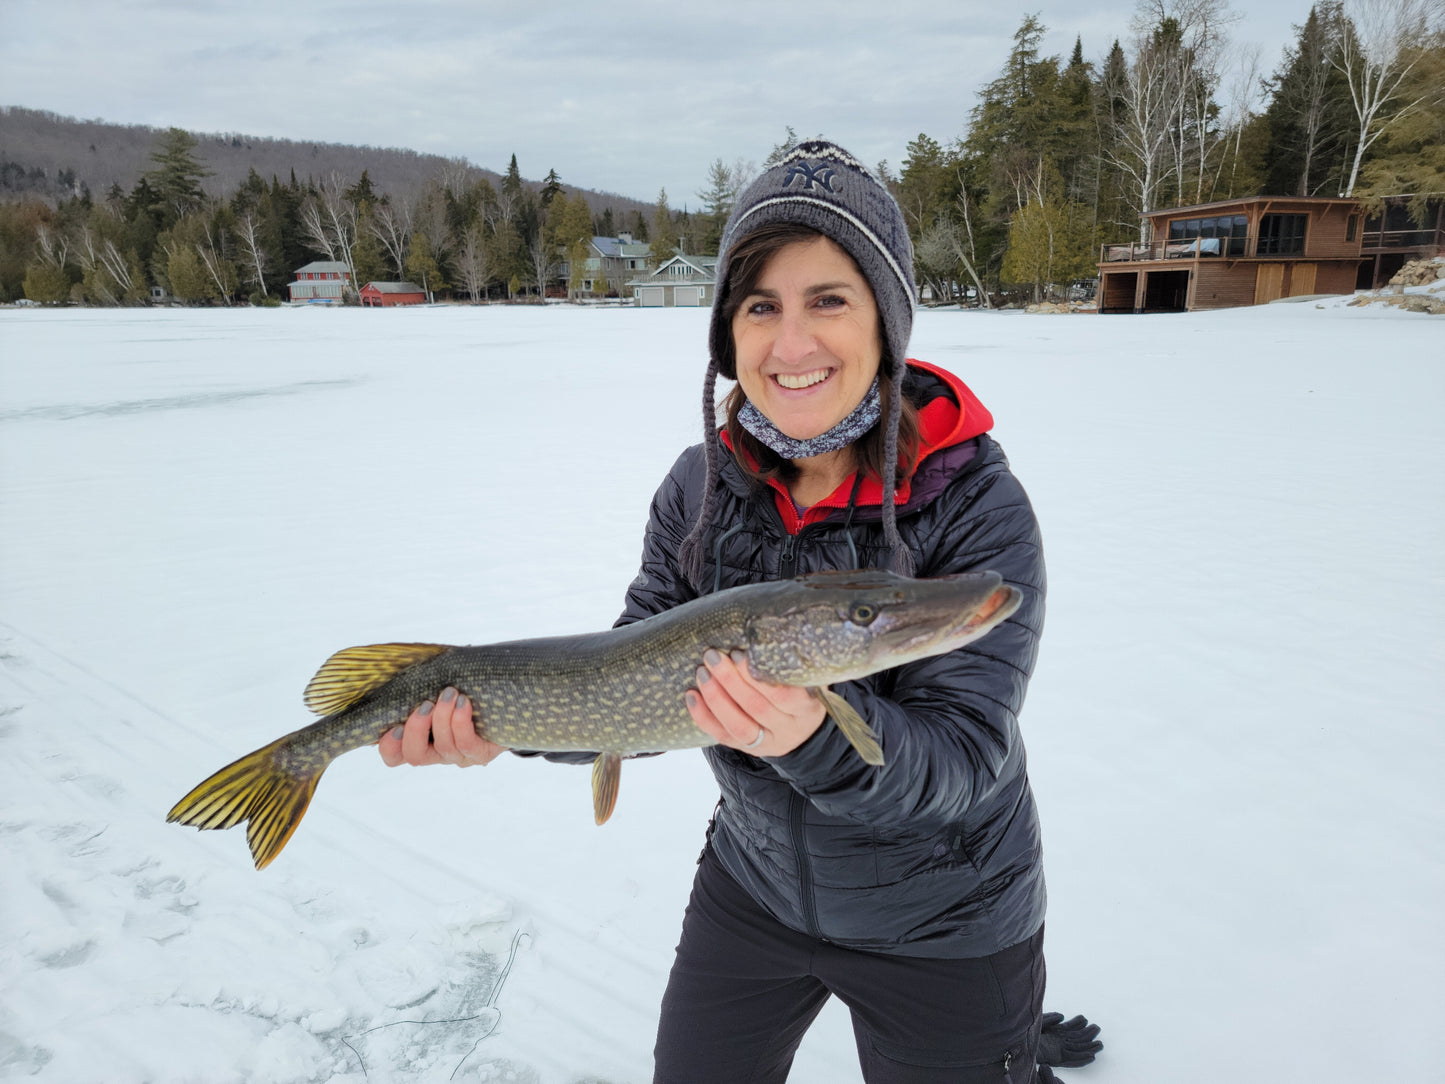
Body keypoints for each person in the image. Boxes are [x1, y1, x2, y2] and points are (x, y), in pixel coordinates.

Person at [379, 141, 1099, 1083]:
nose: (790, 345)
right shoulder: (698, 489)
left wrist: (814, 739)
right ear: (729, 333)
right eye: (761, 306)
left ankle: (1015, 1043)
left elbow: (963, 759)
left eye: (828, 300)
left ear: (886, 322)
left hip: (947, 917)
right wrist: (494, 726)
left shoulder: (974, 503)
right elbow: (621, 684)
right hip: (754, 889)